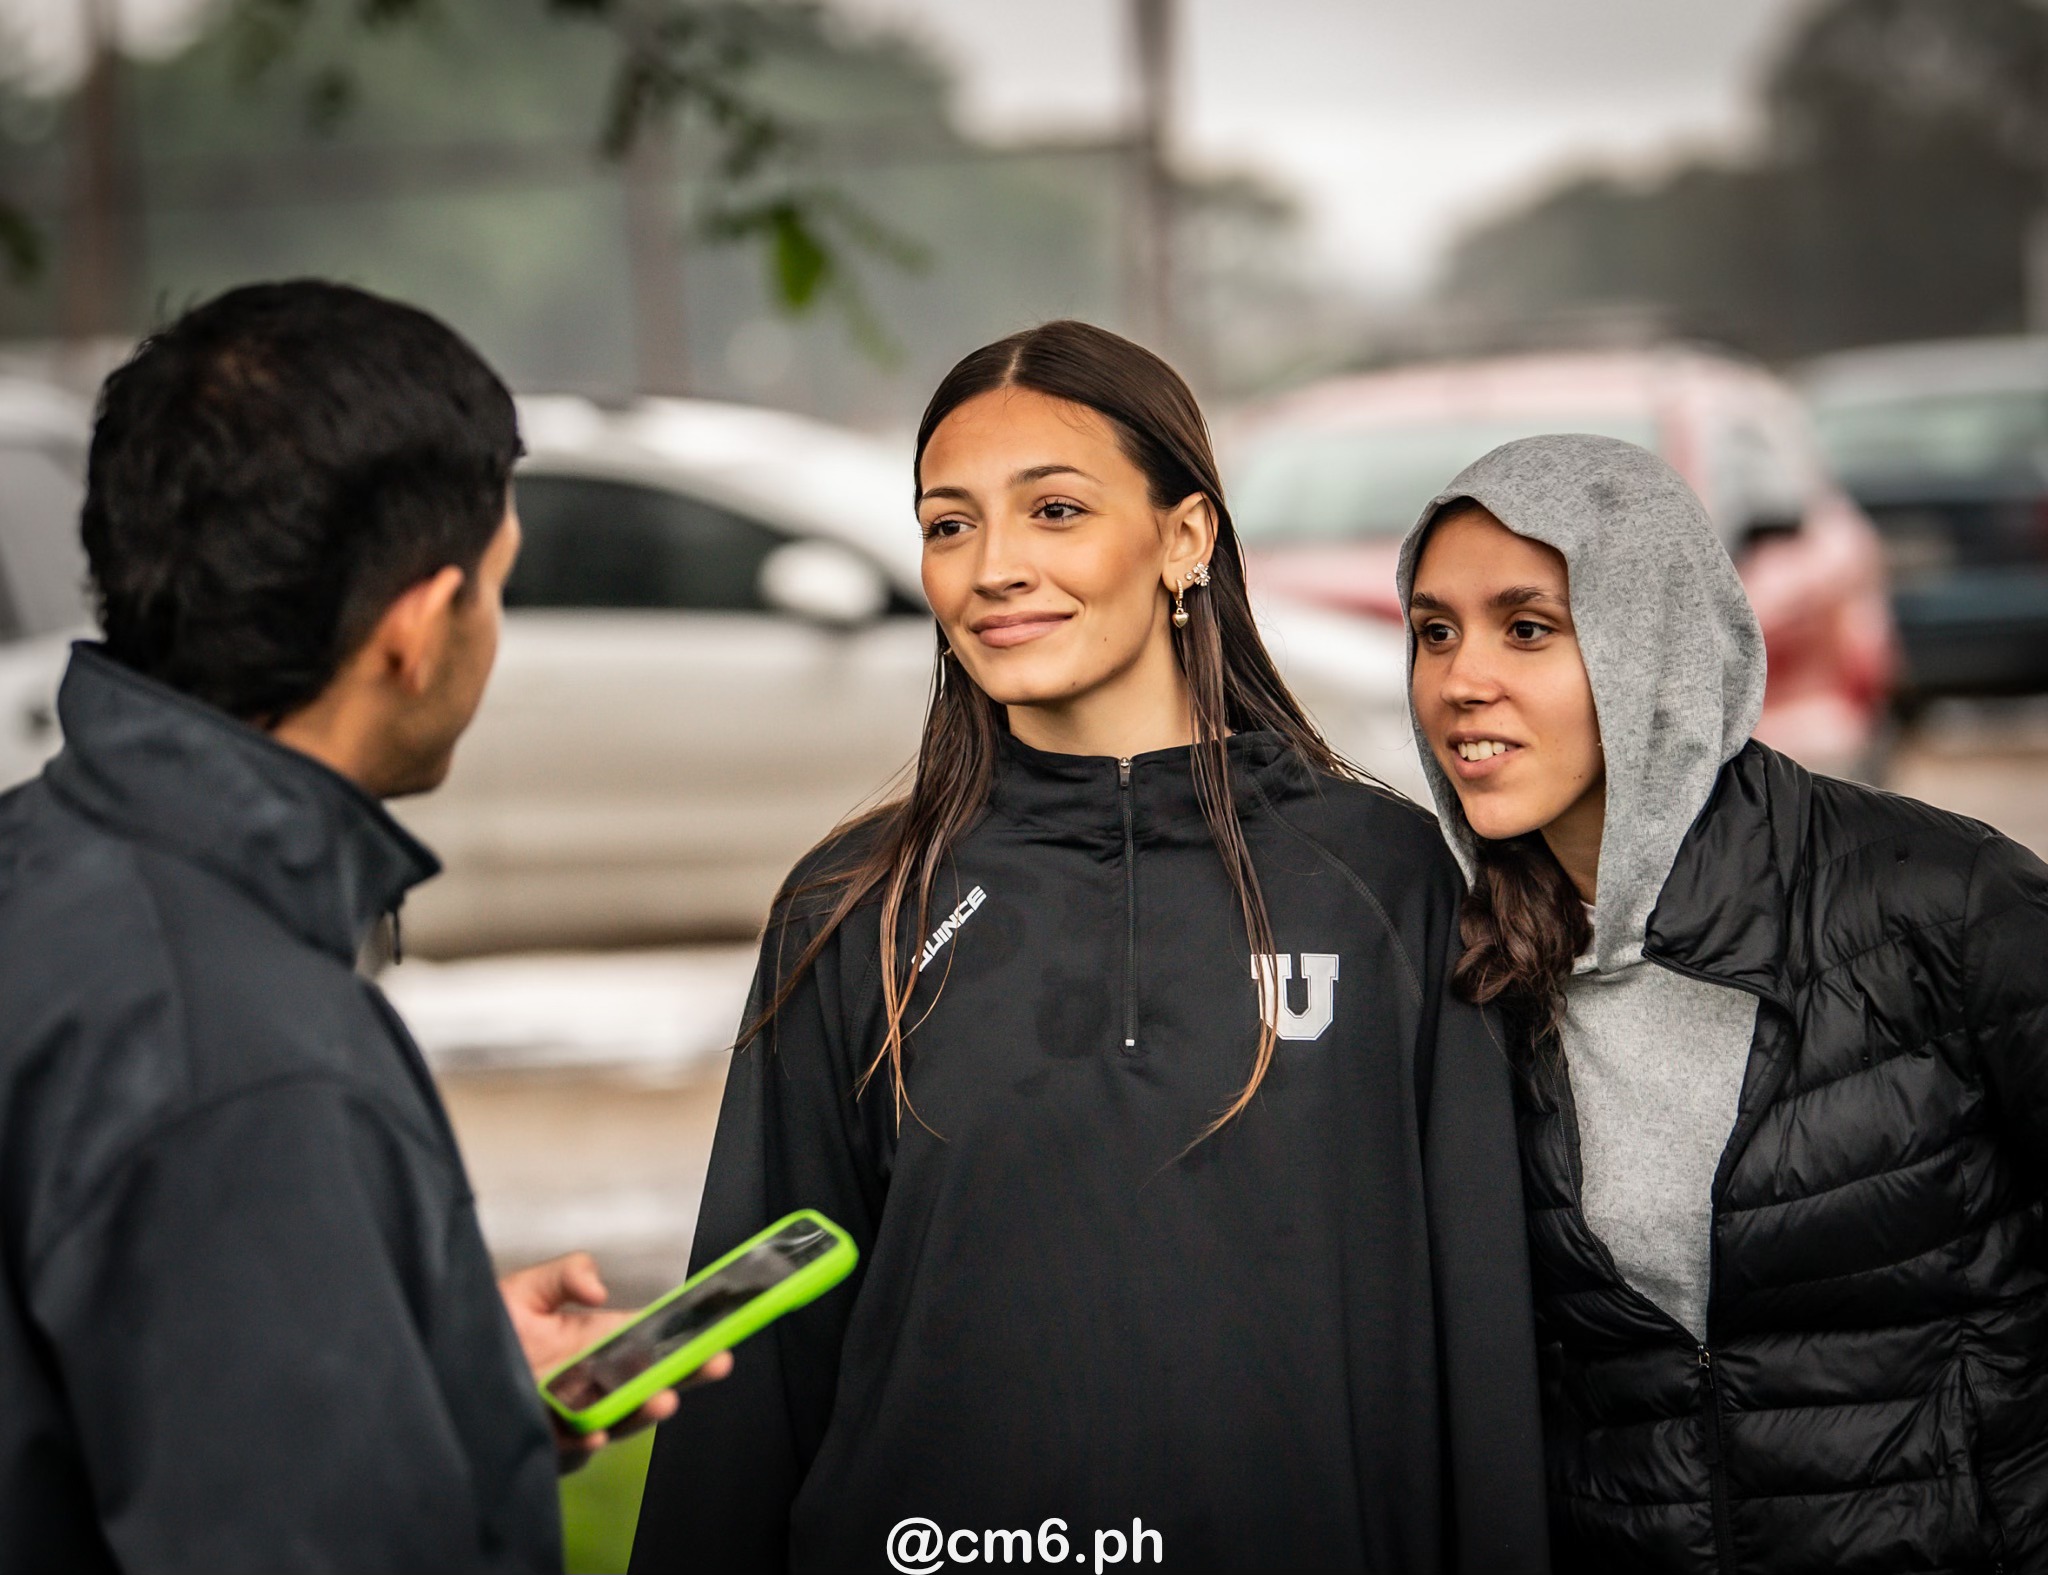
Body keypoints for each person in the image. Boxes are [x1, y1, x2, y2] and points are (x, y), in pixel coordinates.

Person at [631, 320, 1548, 1575]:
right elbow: (750, 1354)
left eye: (1053, 511)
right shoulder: (854, 907)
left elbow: (1482, 1339)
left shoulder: (1383, 882)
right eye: (947, 525)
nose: (992, 568)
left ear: (1185, 537)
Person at [0, 279, 721, 1575]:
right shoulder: (243, 1065)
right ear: (417, 629)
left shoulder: (48, 871)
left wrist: (427, 1361)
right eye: (495, 589)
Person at [1397, 432, 2048, 1573]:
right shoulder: (1462, 976)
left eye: (1528, 628)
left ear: (1653, 640)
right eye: (1434, 631)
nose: (1461, 680)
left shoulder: (1942, 904)